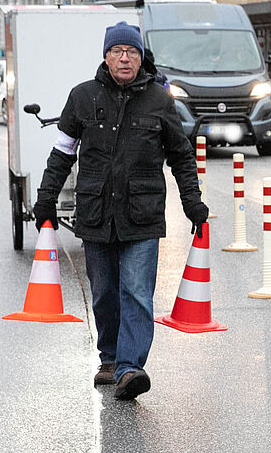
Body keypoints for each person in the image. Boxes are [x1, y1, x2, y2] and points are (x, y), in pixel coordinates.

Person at [33, 22, 208, 399]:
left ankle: (131, 367)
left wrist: (192, 201)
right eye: (117, 51)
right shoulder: (82, 97)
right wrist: (46, 199)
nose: (125, 58)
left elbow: (181, 156)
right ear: (106, 57)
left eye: (131, 51)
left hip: (142, 216)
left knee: (137, 293)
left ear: (141, 57)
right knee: (104, 293)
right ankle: (110, 358)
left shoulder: (160, 102)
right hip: (96, 215)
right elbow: (62, 154)